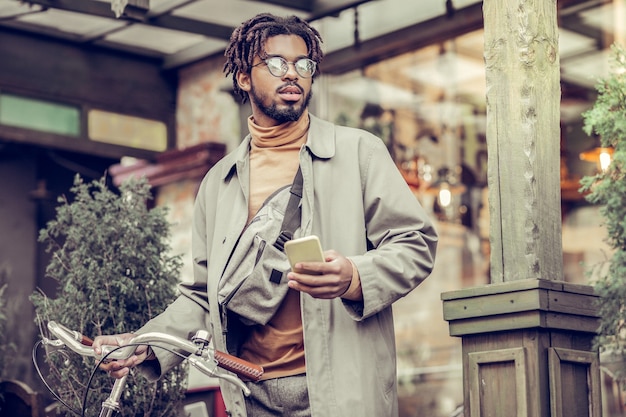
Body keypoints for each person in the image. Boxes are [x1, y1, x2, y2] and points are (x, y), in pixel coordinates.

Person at [93, 13, 438, 417]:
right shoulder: (218, 182)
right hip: (248, 393)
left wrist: (355, 276)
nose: (292, 74)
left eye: (303, 64)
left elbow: (415, 244)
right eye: (276, 64)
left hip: (337, 393)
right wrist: (148, 341)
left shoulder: (359, 152)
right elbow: (206, 296)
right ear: (243, 77)